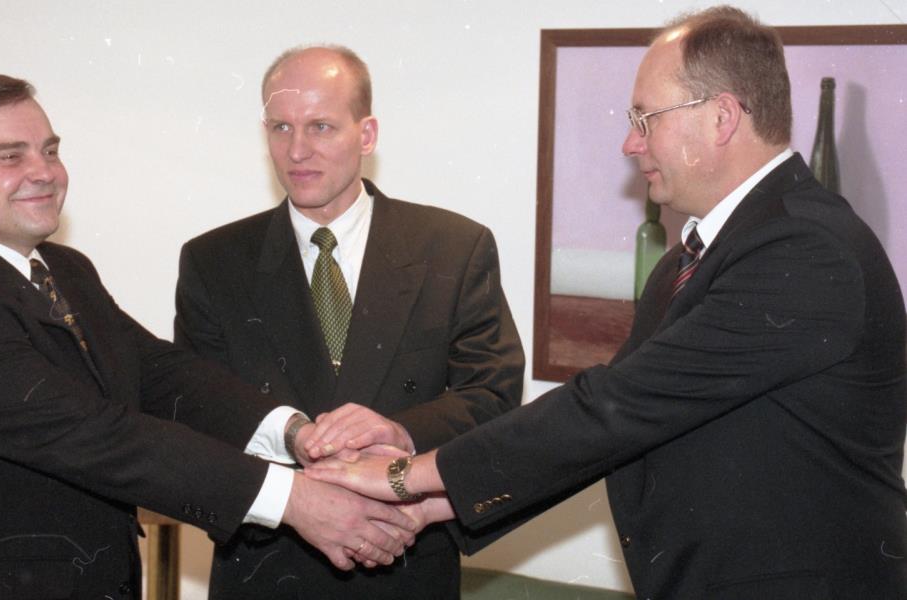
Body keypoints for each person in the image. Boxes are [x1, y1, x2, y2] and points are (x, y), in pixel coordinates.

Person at [307, 7, 907, 599]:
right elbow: (610, 427)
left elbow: (613, 408)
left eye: (646, 119)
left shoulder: (805, 248)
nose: (629, 143)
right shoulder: (687, 260)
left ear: (722, 117)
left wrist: (404, 476)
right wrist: (433, 505)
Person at [0, 74, 417, 600]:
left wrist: (297, 434)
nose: (44, 172)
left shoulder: (64, 269)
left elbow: (159, 373)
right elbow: (101, 437)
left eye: (50, 150)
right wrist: (294, 499)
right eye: (11, 157)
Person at [175, 45, 523, 599]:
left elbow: (494, 397)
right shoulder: (215, 262)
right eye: (281, 127)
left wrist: (400, 433)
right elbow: (200, 415)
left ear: (367, 135)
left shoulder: (454, 248)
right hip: (267, 570)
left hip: (406, 561)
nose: (297, 150)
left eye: (321, 126)